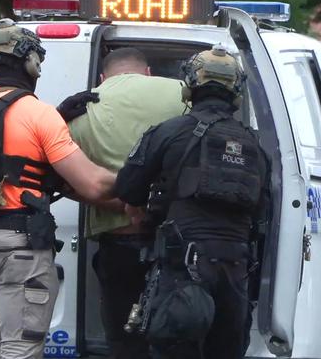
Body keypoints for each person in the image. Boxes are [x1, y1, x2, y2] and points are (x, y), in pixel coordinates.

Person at [0, 19, 116, 359]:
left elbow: (9, 157)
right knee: (21, 349)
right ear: (32, 63)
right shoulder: (38, 115)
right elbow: (94, 185)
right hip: (19, 248)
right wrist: (139, 174)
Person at [115, 45, 269, 359]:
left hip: (182, 267)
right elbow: (263, 213)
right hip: (236, 270)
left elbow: (127, 187)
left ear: (189, 86)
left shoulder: (170, 132)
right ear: (236, 91)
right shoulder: (255, 146)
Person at [58, 47, 184, 359]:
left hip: (119, 244)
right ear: (148, 72)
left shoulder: (81, 107)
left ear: (103, 77)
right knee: (177, 337)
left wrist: (121, 203)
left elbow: (63, 180)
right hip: (177, 245)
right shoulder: (183, 93)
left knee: (125, 341)